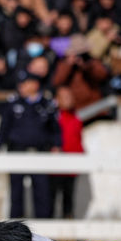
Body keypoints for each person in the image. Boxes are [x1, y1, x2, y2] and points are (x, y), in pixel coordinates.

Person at [0, 72, 62, 219]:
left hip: (40, 153)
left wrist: (57, 145)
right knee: (16, 192)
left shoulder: (47, 105)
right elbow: (4, 126)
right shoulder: (13, 104)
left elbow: (55, 129)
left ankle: (44, 230)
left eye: (25, 83)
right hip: (17, 151)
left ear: (35, 84)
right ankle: (14, 230)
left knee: (42, 192)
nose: (21, 87)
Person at [54, 86, 83, 218]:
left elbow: (77, 141)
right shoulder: (52, 118)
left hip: (71, 167)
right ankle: (49, 234)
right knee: (51, 201)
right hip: (54, 168)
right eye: (64, 97)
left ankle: (68, 233)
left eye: (70, 97)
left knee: (69, 201)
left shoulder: (76, 119)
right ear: (57, 100)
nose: (68, 100)